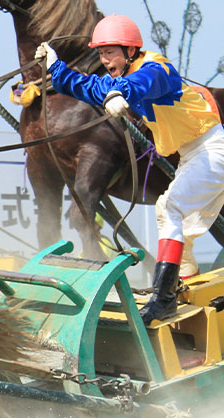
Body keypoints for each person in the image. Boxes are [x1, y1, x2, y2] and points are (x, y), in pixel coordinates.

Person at [35, 14, 224, 326]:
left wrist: (118, 91)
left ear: (131, 50)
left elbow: (141, 84)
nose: (104, 59)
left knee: (169, 207)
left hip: (211, 148)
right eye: (101, 53)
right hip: (193, 154)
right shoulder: (126, 72)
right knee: (183, 229)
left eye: (110, 52)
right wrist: (56, 67)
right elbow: (91, 87)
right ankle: (179, 291)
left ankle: (163, 300)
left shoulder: (156, 67)